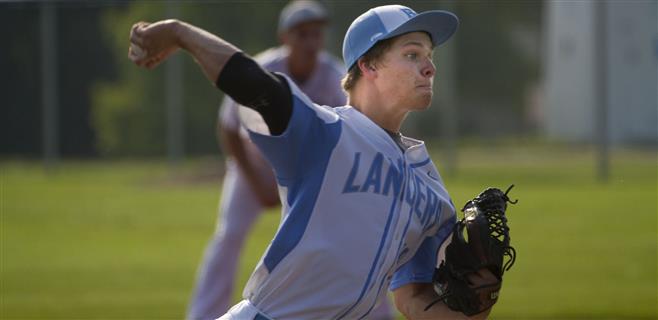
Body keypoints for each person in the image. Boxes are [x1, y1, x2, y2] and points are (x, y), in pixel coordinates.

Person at [129, 4, 500, 319]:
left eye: (429, 57)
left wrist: (480, 304)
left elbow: (412, 298)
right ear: (368, 65)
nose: (429, 67)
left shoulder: (431, 189)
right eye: (412, 54)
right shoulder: (326, 133)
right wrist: (180, 33)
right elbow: (253, 83)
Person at [186, 1, 394, 319]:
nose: (311, 42)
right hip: (254, 162)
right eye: (302, 34)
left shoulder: (336, 76)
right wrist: (256, 183)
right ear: (285, 37)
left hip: (310, 172)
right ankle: (202, 315)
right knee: (228, 237)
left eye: (316, 34)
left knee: (353, 233)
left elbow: (360, 130)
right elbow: (228, 128)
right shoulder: (262, 69)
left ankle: (378, 314)